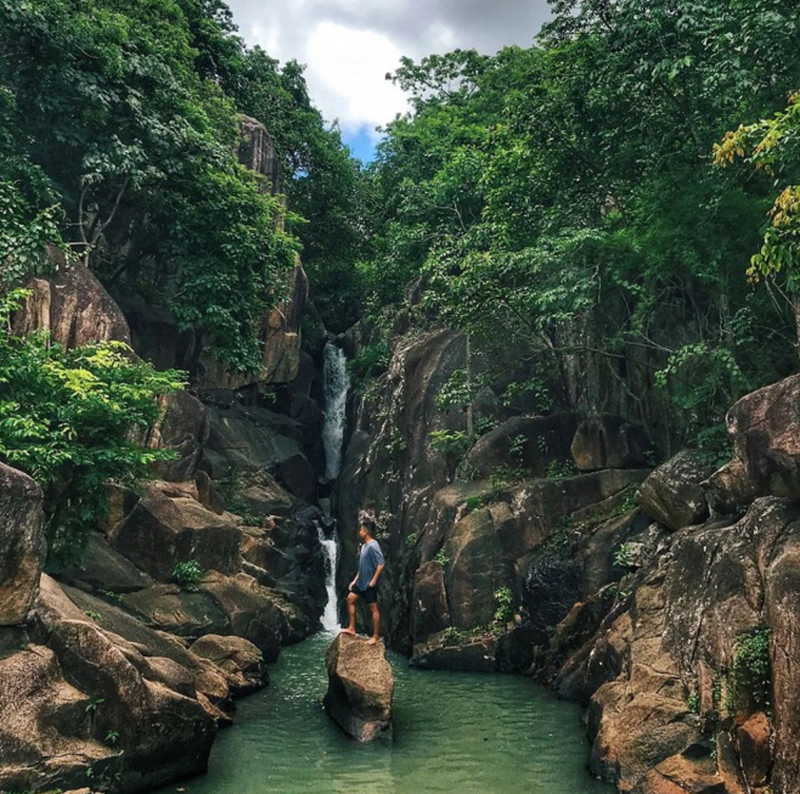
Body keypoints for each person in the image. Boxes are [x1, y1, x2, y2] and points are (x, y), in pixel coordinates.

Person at [341, 518, 385, 644]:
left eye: (361, 529)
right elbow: (363, 566)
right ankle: (351, 628)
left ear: (365, 531)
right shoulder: (365, 546)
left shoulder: (373, 546)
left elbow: (381, 564)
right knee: (350, 599)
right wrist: (354, 580)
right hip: (360, 582)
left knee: (373, 608)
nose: (360, 531)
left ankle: (375, 636)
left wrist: (373, 581)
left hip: (369, 583)